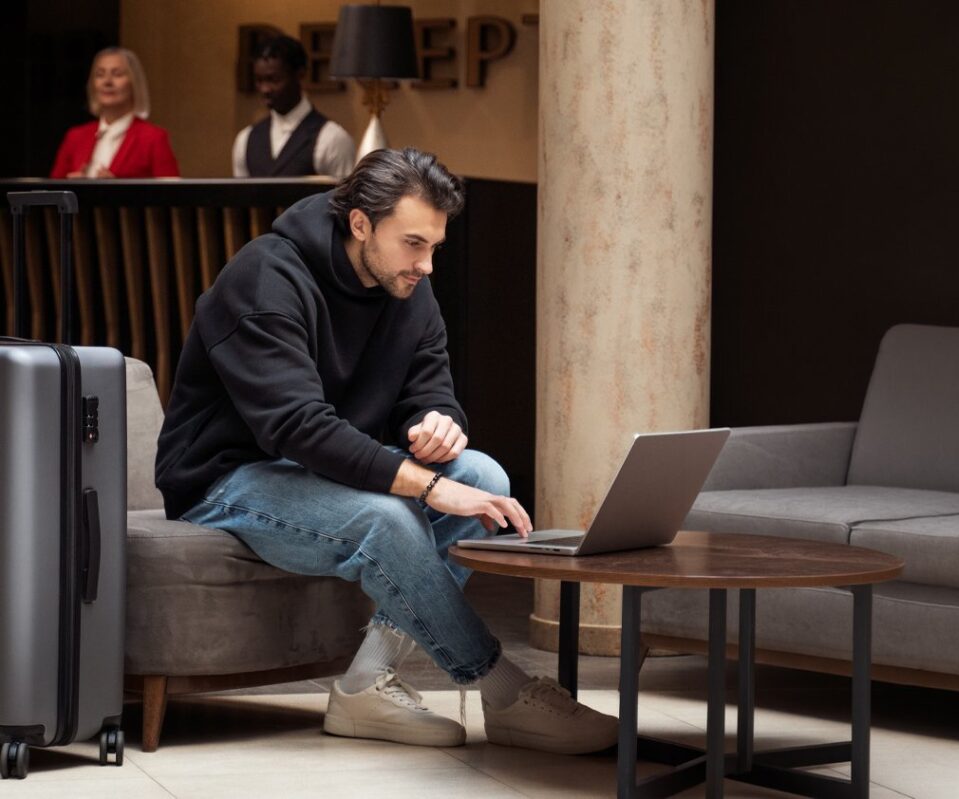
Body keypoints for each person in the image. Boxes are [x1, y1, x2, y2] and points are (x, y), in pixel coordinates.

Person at [155, 147, 618, 753]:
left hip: (323, 469)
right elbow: (297, 426)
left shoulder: (405, 284)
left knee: (485, 477)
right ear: (360, 224)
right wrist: (426, 484)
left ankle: (365, 685)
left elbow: (432, 389)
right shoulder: (264, 280)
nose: (427, 265)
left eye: (435, 247)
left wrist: (440, 426)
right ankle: (504, 690)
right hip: (227, 480)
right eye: (414, 244)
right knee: (389, 515)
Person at [233, 35, 355, 178]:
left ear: (300, 75)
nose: (265, 89)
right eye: (259, 80)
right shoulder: (246, 139)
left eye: (274, 80)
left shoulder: (333, 138)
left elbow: (345, 199)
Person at [50, 47, 180, 179]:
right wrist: (73, 187)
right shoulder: (75, 137)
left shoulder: (153, 138)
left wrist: (117, 191)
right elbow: (52, 194)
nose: (107, 82)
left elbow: (172, 196)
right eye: (100, 74)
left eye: (117, 74)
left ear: (134, 83)